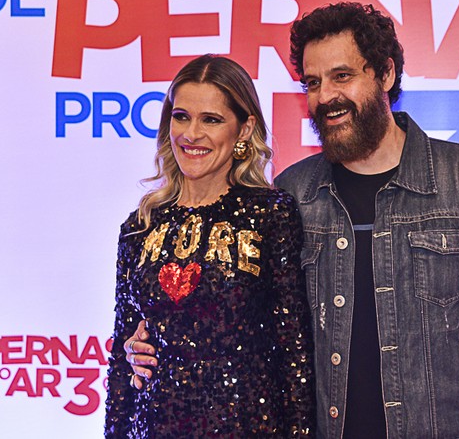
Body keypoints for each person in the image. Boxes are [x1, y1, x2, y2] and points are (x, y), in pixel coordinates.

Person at [128, 2, 459, 438]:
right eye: (313, 82)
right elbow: (248, 327)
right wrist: (154, 338)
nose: (325, 97)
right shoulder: (291, 194)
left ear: (386, 74)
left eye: (342, 76)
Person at [105, 54, 316, 437]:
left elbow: (294, 352)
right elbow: (122, 361)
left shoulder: (270, 214)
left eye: (211, 120)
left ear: (244, 129)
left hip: (246, 427)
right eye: (181, 116)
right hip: (155, 427)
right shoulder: (140, 227)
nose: (191, 134)